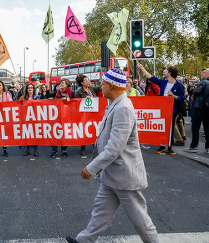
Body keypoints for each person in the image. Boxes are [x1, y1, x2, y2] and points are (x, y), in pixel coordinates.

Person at [65, 68, 159, 243]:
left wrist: (92, 167)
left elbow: (115, 147)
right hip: (113, 175)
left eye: (103, 83)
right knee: (100, 213)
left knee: (141, 221)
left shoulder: (123, 108)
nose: (100, 85)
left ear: (112, 85)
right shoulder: (115, 104)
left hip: (124, 176)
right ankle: (83, 241)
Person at [138, 63, 185, 155]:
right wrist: (142, 68)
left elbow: (182, 97)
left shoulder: (179, 85)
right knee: (161, 127)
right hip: (161, 108)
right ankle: (162, 146)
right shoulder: (163, 82)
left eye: (166, 71)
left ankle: (170, 147)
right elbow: (151, 77)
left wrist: (174, 96)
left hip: (172, 109)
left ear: (170, 73)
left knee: (170, 128)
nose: (164, 72)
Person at [184, 68, 209, 154]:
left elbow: (197, 91)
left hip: (200, 107)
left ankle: (194, 146)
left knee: (195, 128)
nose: (202, 73)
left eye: (204, 72)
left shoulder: (204, 82)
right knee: (207, 128)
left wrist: (194, 91)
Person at [75, 74, 101, 156]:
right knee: (85, 130)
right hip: (84, 114)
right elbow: (76, 102)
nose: (88, 82)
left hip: (93, 113)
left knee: (94, 129)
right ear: (82, 83)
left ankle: (95, 146)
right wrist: (83, 100)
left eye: (88, 80)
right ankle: (83, 148)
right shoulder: (79, 92)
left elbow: (100, 87)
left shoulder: (91, 89)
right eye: (86, 81)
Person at [52, 78, 72, 157]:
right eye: (61, 83)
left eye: (63, 83)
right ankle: (54, 150)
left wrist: (67, 99)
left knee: (64, 132)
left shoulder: (70, 92)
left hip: (66, 115)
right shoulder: (57, 92)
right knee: (55, 132)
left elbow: (74, 101)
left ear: (67, 85)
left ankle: (64, 150)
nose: (61, 84)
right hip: (57, 115)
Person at [21, 83, 39, 156]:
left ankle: (36, 150)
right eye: (28, 88)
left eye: (31, 87)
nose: (30, 89)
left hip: (35, 118)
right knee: (27, 133)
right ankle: (27, 150)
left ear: (33, 89)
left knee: (35, 134)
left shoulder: (37, 97)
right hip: (26, 118)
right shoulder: (24, 98)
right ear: (27, 89)